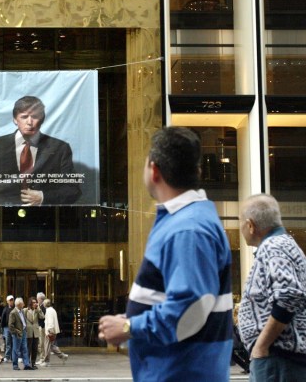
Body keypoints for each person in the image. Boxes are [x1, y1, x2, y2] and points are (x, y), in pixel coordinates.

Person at [97, 126, 233, 381]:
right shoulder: (187, 222)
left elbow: (190, 309)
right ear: (198, 171)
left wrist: (129, 326)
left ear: (154, 170)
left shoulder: (188, 230)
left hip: (180, 372)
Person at [238, 194, 306, 381]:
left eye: (241, 222)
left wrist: (261, 345)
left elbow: (289, 296)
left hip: (277, 360)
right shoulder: (284, 245)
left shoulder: (274, 247)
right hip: (280, 359)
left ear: (250, 225)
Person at [0, 95, 81, 205]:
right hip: (2, 213)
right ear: (15, 120)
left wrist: (43, 197)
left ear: (42, 119)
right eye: (24, 117)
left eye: (35, 117)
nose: (30, 122)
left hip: (45, 214)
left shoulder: (60, 148)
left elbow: (73, 189)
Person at [38, 299, 68, 366]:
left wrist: (49, 331)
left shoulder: (48, 311)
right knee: (51, 346)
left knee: (47, 346)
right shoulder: (52, 310)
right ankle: (63, 356)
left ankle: (47, 361)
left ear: (45, 304)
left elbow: (50, 322)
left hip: (50, 331)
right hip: (53, 330)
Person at [8, 297, 34, 371]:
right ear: (19, 304)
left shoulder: (22, 311)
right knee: (16, 350)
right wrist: (17, 332)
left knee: (25, 349)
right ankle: (15, 365)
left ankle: (26, 364)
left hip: (23, 332)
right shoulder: (13, 313)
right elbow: (10, 325)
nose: (24, 304)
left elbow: (23, 321)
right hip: (17, 334)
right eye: (22, 303)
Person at [25, 297, 41, 368]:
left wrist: (39, 309)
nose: (35, 304)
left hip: (36, 332)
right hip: (28, 331)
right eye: (33, 302)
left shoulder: (37, 310)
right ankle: (27, 363)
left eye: (35, 302)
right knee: (28, 348)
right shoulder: (25, 310)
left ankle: (33, 363)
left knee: (35, 348)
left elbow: (42, 317)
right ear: (30, 303)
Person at [2, 295, 15, 359]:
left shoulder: (15, 308)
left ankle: (13, 356)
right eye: (10, 300)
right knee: (8, 343)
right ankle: (7, 356)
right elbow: (3, 319)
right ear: (7, 301)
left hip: (14, 327)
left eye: (12, 300)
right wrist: (3, 328)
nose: (11, 301)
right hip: (7, 327)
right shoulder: (5, 309)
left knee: (14, 342)